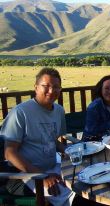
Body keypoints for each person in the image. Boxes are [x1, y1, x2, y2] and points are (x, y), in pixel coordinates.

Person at [0, 68, 76, 206]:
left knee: (81, 181)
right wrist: (42, 177)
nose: (51, 91)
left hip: (53, 167)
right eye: (46, 86)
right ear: (36, 87)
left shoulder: (58, 110)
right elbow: (9, 152)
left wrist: (68, 151)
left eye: (56, 87)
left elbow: (51, 139)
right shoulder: (20, 112)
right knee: (70, 195)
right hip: (24, 174)